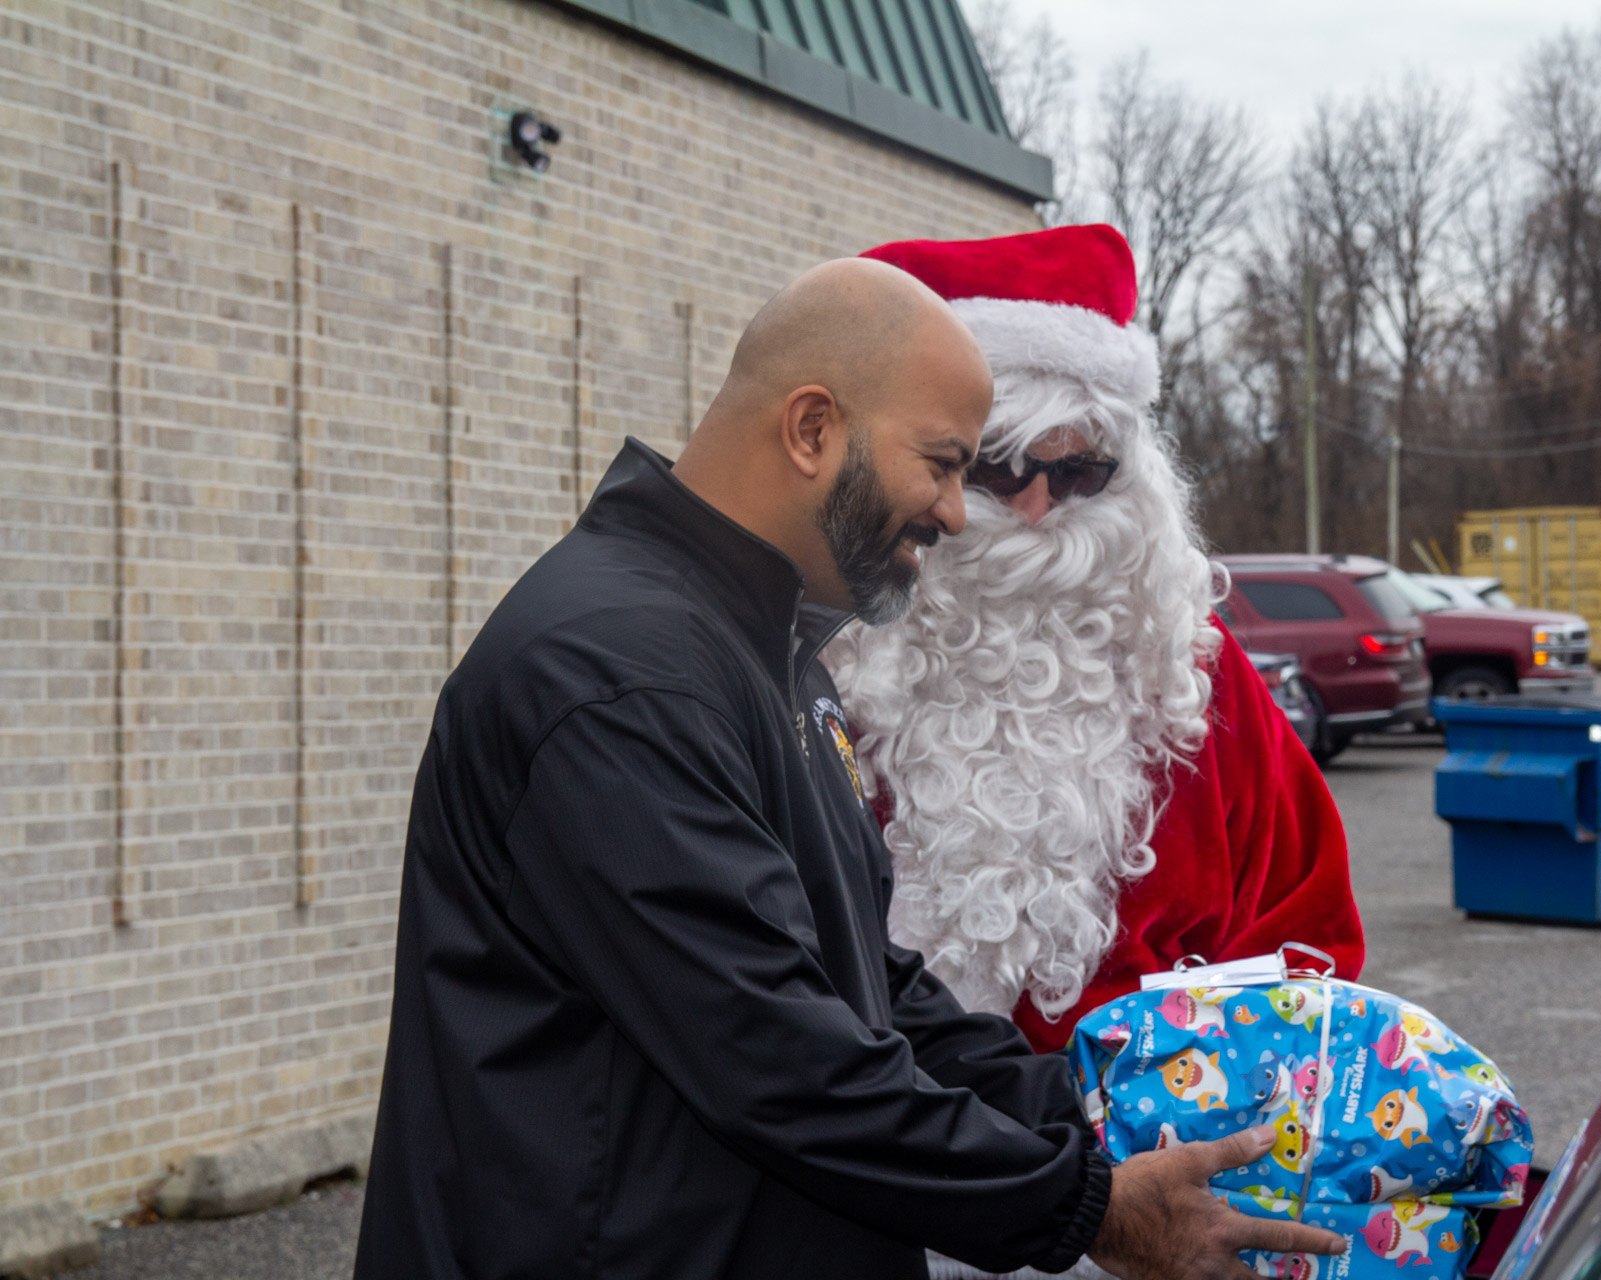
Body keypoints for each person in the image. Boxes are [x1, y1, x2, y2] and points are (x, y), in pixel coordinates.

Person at [353, 256, 1346, 1280]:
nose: (958, 513)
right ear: (812, 428)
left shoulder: (766, 646)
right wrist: (1089, 1208)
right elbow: (774, 1056)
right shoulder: (619, 674)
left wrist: (1098, 1103)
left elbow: (868, 984)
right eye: (951, 464)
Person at [833, 226, 1366, 1059]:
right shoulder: (832, 667)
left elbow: (1310, 926)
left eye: (1080, 472)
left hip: (1155, 1116)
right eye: (999, 468)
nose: (1039, 511)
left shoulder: (1188, 666)